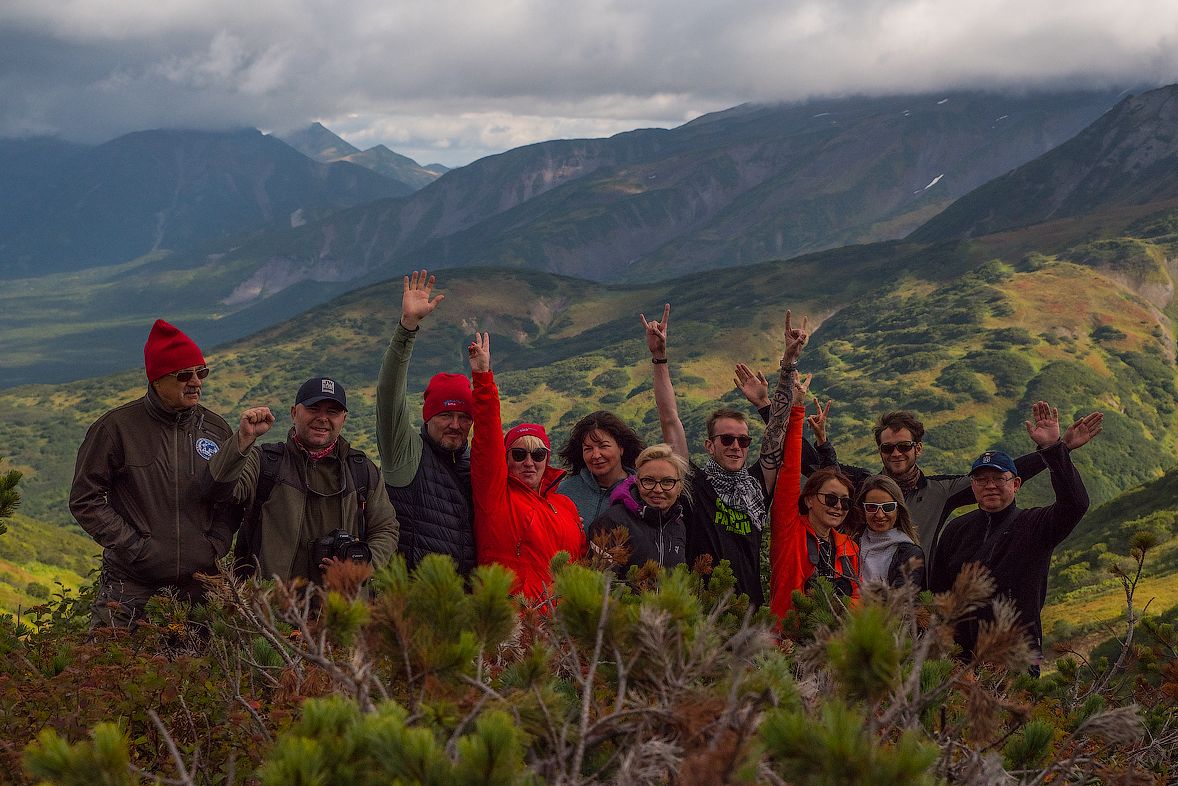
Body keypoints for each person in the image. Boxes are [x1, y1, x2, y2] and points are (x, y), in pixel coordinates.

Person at [70, 319, 234, 628]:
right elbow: (85, 499)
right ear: (157, 380)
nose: (196, 382)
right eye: (184, 375)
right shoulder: (115, 429)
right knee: (107, 668)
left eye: (202, 372)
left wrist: (215, 543)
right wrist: (135, 547)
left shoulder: (216, 429)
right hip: (130, 583)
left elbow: (233, 498)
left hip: (201, 584)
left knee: (204, 673)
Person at [645, 304, 807, 607]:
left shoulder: (757, 486)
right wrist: (659, 358)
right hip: (704, 613)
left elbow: (777, 428)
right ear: (710, 445)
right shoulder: (694, 484)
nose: (736, 446)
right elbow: (670, 419)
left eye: (743, 440)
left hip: (751, 614)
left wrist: (789, 364)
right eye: (727, 439)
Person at [819, 408, 1103, 575]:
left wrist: (1057, 450)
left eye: (904, 446)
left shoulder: (940, 491)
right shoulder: (865, 487)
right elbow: (821, 468)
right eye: (888, 447)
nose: (896, 453)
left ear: (918, 448)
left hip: (916, 604)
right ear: (880, 450)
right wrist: (777, 408)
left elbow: (1001, 476)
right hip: (858, 596)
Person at [929, 401, 1095, 674]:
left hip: (1016, 658)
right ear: (972, 486)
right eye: (981, 479)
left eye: (999, 478)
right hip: (960, 661)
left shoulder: (1036, 525)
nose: (990, 485)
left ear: (1016, 484)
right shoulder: (956, 530)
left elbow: (1075, 504)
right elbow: (938, 594)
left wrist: (1054, 450)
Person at [204, 377, 399, 584]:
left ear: (344, 418)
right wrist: (243, 440)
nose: (323, 418)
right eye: (314, 408)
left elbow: (386, 529)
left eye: (332, 412)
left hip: (342, 608)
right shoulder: (264, 462)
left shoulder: (362, 470)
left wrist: (361, 570)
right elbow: (220, 488)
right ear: (294, 413)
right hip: (271, 607)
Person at [467, 332, 585, 602]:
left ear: (548, 458)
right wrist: (483, 378)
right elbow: (487, 439)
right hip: (514, 624)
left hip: (561, 628)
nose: (529, 462)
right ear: (506, 459)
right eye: (519, 454)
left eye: (538, 454)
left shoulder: (565, 506)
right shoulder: (495, 496)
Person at [376, 270, 476, 576]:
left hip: (467, 606)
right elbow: (389, 395)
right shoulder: (405, 454)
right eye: (445, 415)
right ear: (427, 417)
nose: (455, 425)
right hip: (413, 607)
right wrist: (407, 328)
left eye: (464, 417)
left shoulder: (475, 464)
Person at [769, 390, 860, 619]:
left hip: (834, 647)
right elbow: (789, 468)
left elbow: (858, 597)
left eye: (845, 502)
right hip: (788, 643)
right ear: (809, 499)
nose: (838, 506)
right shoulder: (790, 531)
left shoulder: (849, 547)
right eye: (830, 499)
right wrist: (797, 410)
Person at [587, 443, 689, 575]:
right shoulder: (612, 523)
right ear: (638, 483)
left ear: (679, 488)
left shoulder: (677, 525)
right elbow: (601, 585)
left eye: (667, 482)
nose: (658, 490)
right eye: (648, 481)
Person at [557, 411, 645, 527]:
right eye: (588, 449)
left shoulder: (640, 492)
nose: (596, 455)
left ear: (621, 448)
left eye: (603, 446)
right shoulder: (564, 491)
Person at [845, 475, 925, 589]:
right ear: (862, 509)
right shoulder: (850, 542)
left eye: (888, 507)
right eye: (872, 507)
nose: (880, 515)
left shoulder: (909, 553)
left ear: (898, 509)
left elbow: (900, 599)